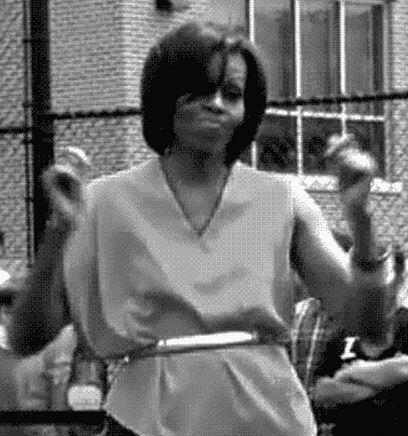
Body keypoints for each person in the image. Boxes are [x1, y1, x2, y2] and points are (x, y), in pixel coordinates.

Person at [9, 21, 395, 436]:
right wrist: (58, 233)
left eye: (232, 94)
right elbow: (27, 338)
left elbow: (370, 325)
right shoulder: (103, 202)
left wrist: (360, 218)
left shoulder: (282, 199)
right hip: (147, 422)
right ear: (162, 97)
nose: (216, 104)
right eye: (197, 91)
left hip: (270, 420)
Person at [307, 248, 408, 435]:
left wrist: (356, 372)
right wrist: (391, 379)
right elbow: (322, 392)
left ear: (399, 279)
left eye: (380, 275)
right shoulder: (345, 332)